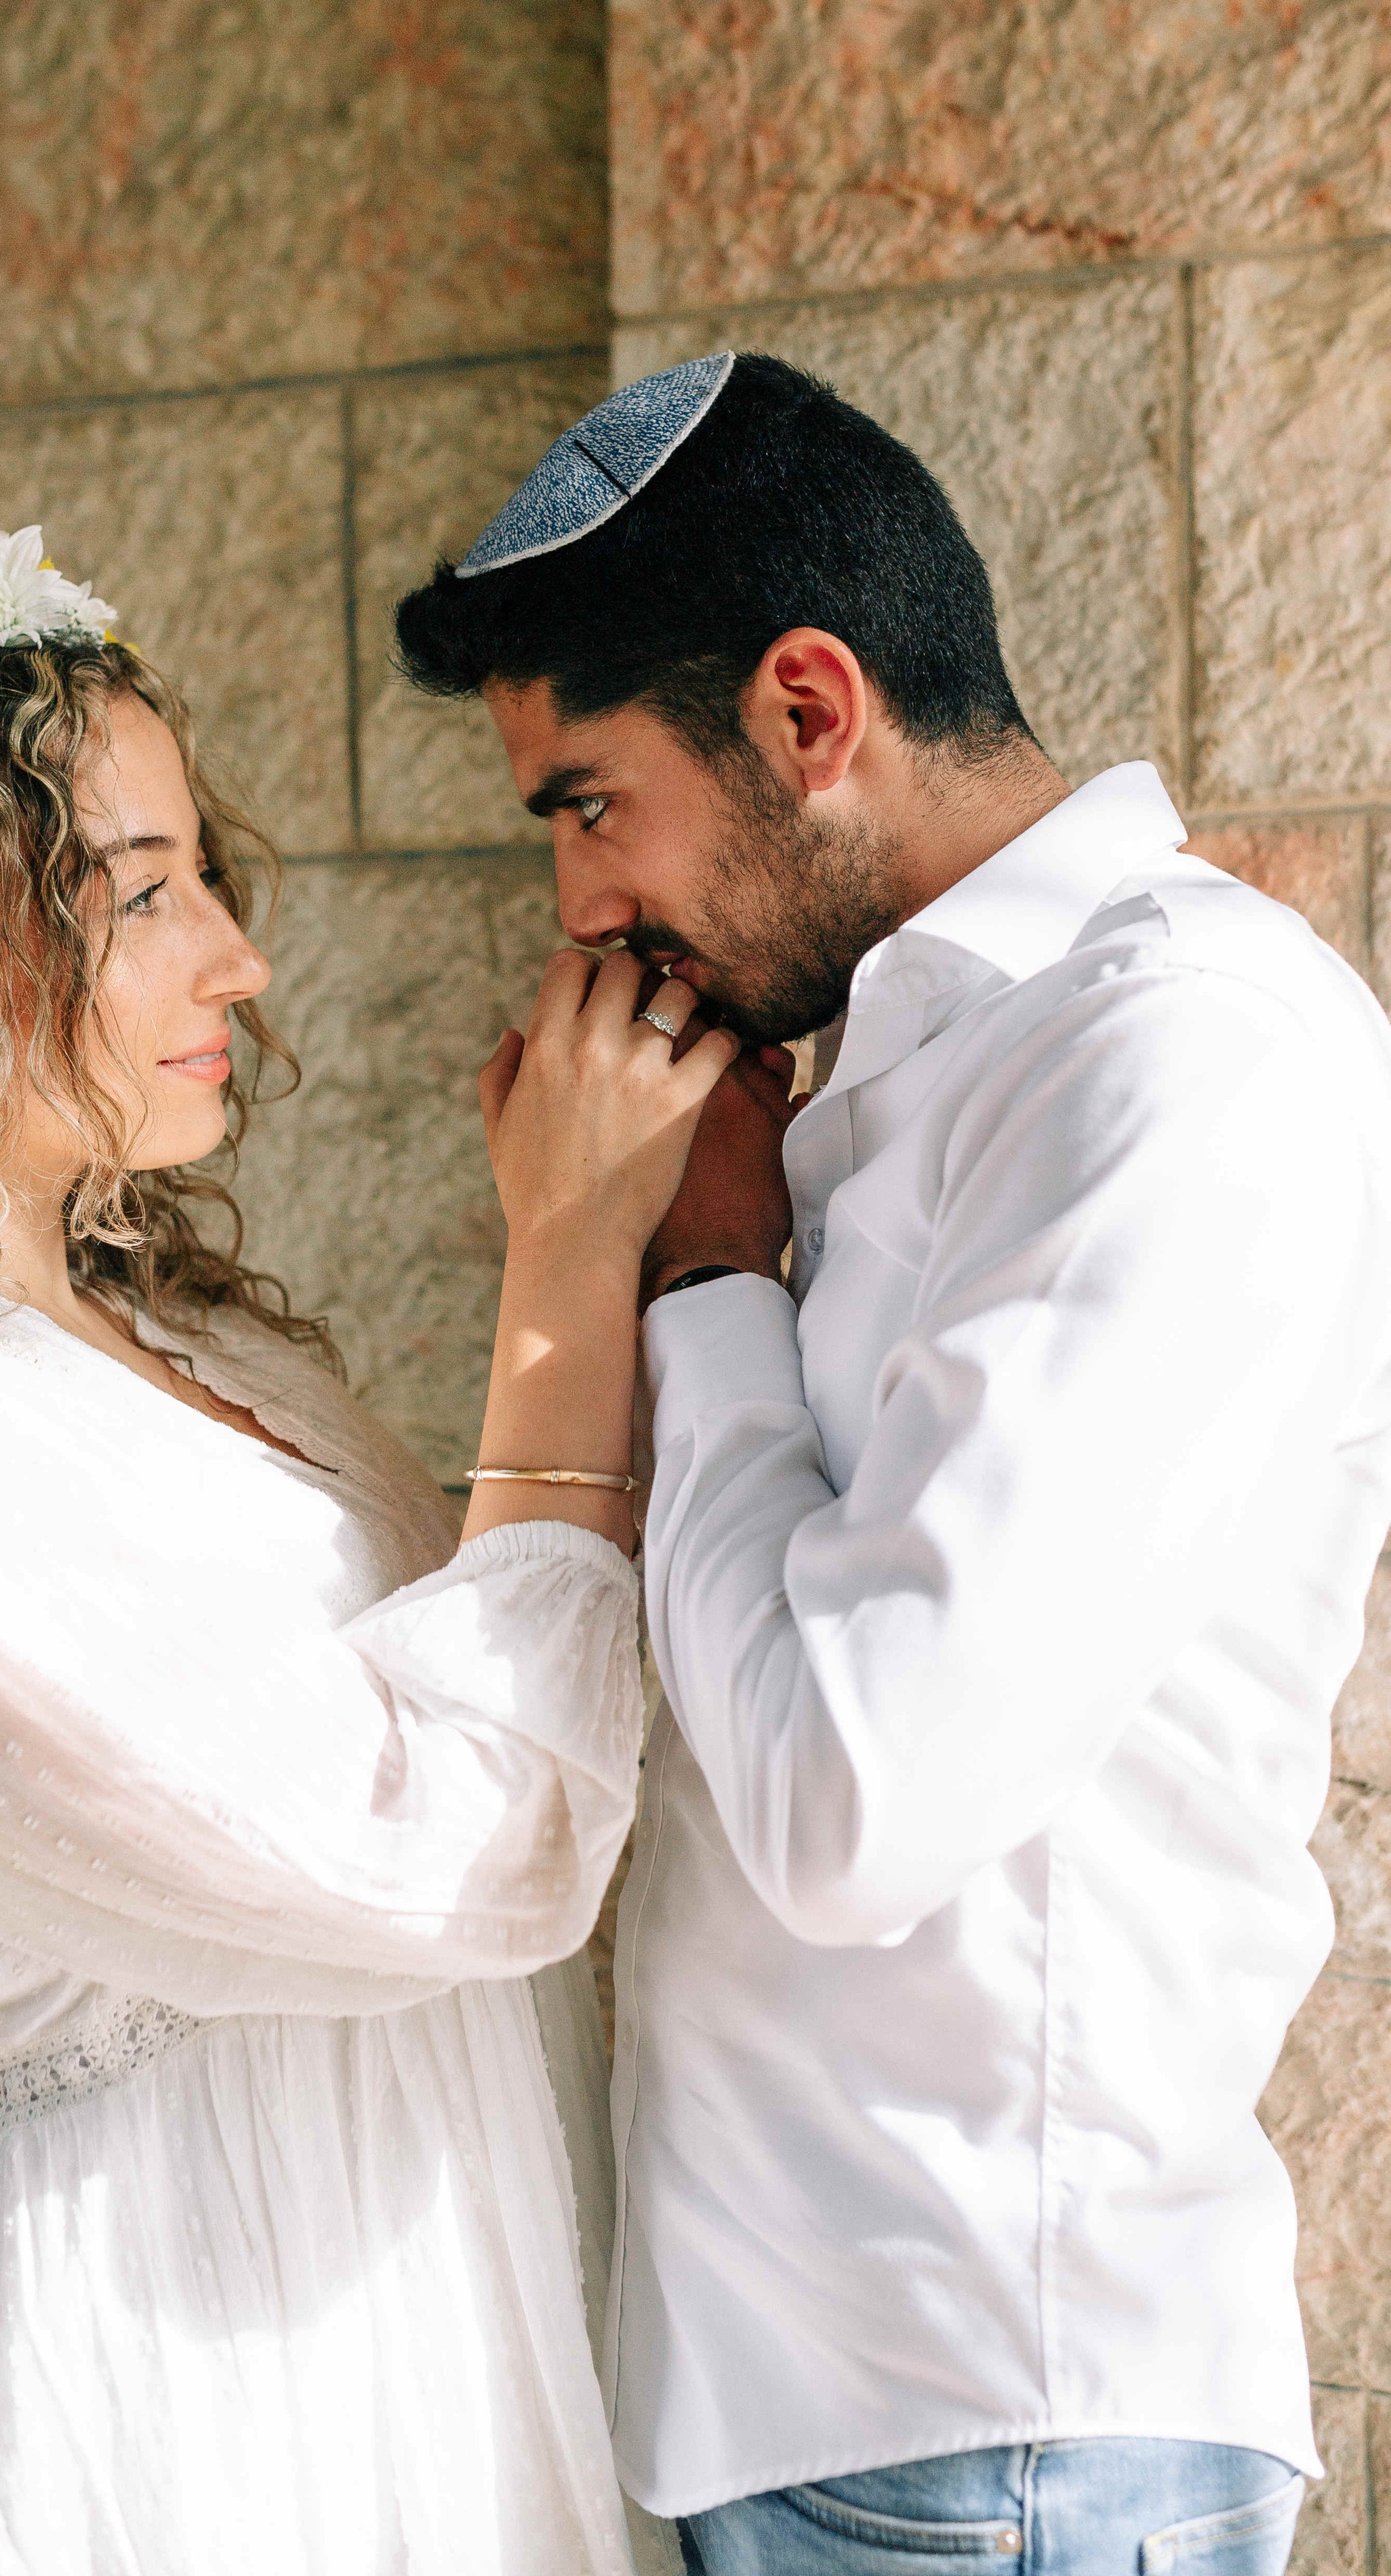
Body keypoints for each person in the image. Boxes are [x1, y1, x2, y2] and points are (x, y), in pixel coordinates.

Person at [394, 353, 1391, 2574]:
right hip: (820, 2409)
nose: (574, 907)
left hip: (992, 2438)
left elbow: (857, 1796)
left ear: (809, 712)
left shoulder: (1176, 1057)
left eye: (585, 806)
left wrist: (712, 1276)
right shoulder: (895, 1061)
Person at [0, 531, 725, 2575]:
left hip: (426, 2299)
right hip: (165, 2370)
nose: (231, 956)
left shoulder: (200, 1343)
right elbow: (452, 1850)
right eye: (142, 897)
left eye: (201, 880)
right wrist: (570, 1262)